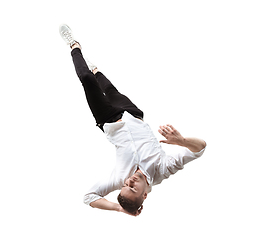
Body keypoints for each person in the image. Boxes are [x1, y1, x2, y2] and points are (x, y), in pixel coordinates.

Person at [59, 24, 207, 216]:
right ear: (145, 195)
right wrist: (182, 141)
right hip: (132, 114)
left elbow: (89, 197)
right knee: (110, 89)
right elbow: (201, 148)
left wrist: (119, 208)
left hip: (109, 120)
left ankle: (73, 45)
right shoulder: (163, 169)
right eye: (133, 188)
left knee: (86, 79)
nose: (129, 182)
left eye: (126, 186)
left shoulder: (119, 178)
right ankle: (94, 68)